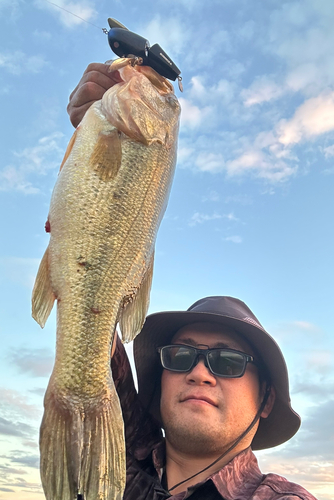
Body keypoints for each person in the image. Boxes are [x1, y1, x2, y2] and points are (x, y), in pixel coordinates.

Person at [67, 65, 317, 500]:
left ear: (267, 400)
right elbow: (90, 309)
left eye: (227, 361)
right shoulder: (115, 462)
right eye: (180, 356)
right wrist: (94, 147)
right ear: (159, 379)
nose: (199, 372)